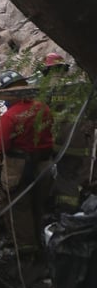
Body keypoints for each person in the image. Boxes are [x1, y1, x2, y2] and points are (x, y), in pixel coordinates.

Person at [0, 69, 54, 288]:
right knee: (38, 207)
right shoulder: (42, 108)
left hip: (18, 167)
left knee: (19, 210)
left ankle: (28, 260)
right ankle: (42, 247)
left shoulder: (9, 117)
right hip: (44, 165)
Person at [37, 52, 94, 214]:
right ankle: (77, 204)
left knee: (65, 177)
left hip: (61, 142)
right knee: (75, 175)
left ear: (48, 71)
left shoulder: (48, 89)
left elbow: (41, 116)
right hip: (81, 141)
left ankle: (68, 212)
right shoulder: (77, 85)